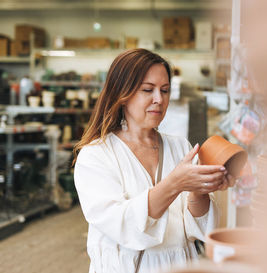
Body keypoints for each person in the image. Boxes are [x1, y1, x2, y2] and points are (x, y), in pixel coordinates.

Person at [72, 48, 235, 273]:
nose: (159, 99)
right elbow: (123, 226)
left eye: (165, 90)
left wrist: (201, 188)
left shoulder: (179, 147)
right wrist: (175, 183)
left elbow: (197, 229)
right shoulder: (96, 156)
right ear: (122, 94)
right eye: (148, 90)